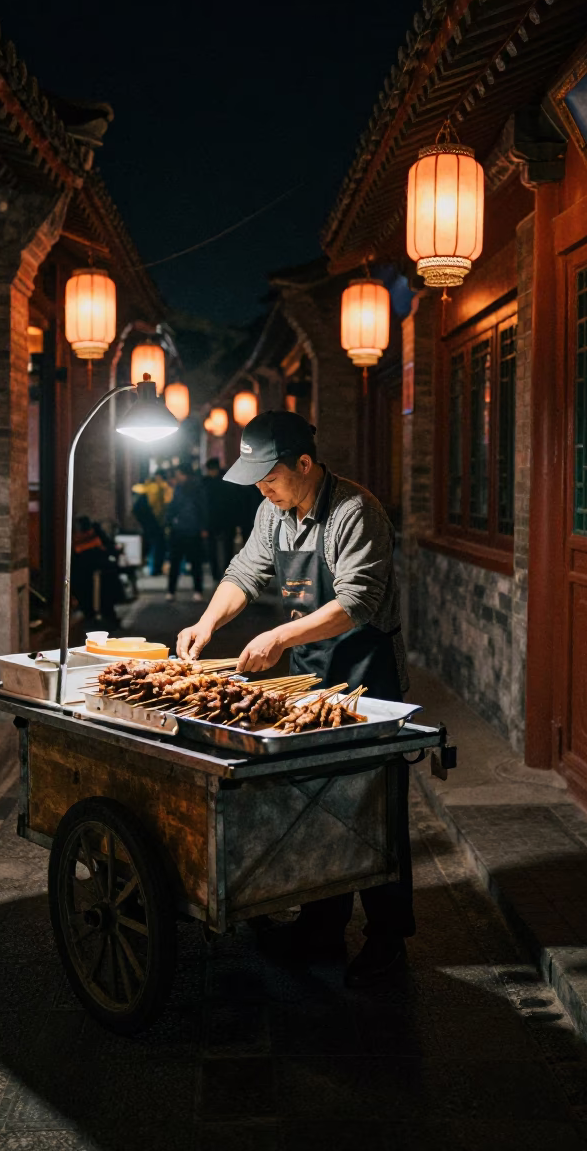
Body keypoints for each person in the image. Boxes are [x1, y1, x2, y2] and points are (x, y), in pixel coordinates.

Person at [176, 410, 411, 988]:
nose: (262, 487)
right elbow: (244, 574)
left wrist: (279, 635)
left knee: (374, 806)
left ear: (305, 464)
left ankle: (388, 937)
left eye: (270, 476)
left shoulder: (355, 512)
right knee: (315, 802)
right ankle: (319, 924)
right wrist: (207, 623)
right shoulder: (272, 513)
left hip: (365, 673)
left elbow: (356, 600)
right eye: (256, 479)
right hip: (311, 671)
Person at [166, 462, 207, 602]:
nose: (176, 476)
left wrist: (169, 521)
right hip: (191, 530)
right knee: (195, 563)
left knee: (176, 562)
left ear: (184, 474)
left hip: (184, 529)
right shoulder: (197, 487)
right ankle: (197, 591)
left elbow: (174, 507)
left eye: (178, 474)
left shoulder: (184, 488)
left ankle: (172, 591)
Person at [202, 456, 239, 582]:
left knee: (223, 548)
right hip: (221, 520)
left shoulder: (207, 483)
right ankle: (219, 573)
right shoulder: (227, 481)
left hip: (221, 520)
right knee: (221, 549)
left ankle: (222, 572)